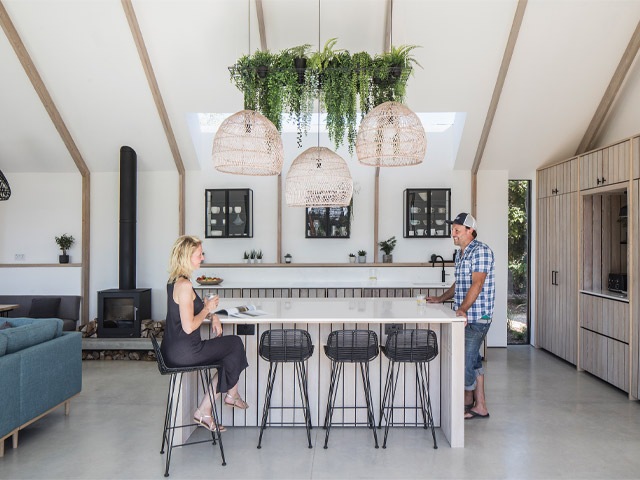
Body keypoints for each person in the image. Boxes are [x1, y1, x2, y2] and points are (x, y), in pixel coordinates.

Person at [161, 235, 249, 432]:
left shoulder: (174, 281)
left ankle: (211, 407)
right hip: (186, 352)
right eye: (199, 254)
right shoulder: (184, 286)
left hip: (173, 350)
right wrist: (207, 307)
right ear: (186, 256)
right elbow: (189, 326)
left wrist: (212, 314)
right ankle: (226, 398)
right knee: (234, 344)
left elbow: (192, 311)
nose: (202, 258)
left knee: (229, 354)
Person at [427, 213, 495, 420]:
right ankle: (480, 405)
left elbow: (478, 283)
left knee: (464, 359)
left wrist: (463, 309)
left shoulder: (481, 251)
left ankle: (465, 403)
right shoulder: (461, 254)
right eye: (452, 229)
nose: (453, 233)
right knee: (473, 360)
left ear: (470, 231)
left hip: (477, 316)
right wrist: (441, 298)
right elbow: (460, 284)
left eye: (457, 230)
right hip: (465, 316)